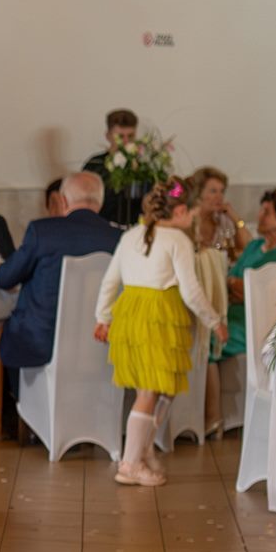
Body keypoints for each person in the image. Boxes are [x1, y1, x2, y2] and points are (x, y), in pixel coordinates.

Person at [95, 179, 220, 488]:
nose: (193, 218)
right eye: (192, 213)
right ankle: (130, 464)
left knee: (164, 388)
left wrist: (103, 316)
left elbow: (110, 280)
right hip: (157, 319)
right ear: (179, 211)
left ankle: (144, 446)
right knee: (149, 392)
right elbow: (191, 290)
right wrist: (214, 320)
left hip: (131, 316)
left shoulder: (130, 236)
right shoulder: (177, 239)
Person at [0, 169, 118, 370]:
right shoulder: (119, 239)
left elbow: (4, 279)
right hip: (100, 346)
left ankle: (10, 391)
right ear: (100, 203)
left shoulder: (43, 232)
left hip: (39, 346)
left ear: (63, 201)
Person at [222, 189, 276, 359]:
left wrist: (242, 288)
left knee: (212, 340)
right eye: (261, 210)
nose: (259, 216)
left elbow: (271, 295)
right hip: (231, 314)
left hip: (258, 323)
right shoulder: (254, 246)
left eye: (267, 212)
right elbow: (230, 280)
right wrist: (237, 285)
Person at [82, 108, 144, 225]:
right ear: (108, 136)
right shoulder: (95, 165)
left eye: (130, 136)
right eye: (120, 136)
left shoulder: (143, 168)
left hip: (135, 228)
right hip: (101, 227)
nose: (126, 141)